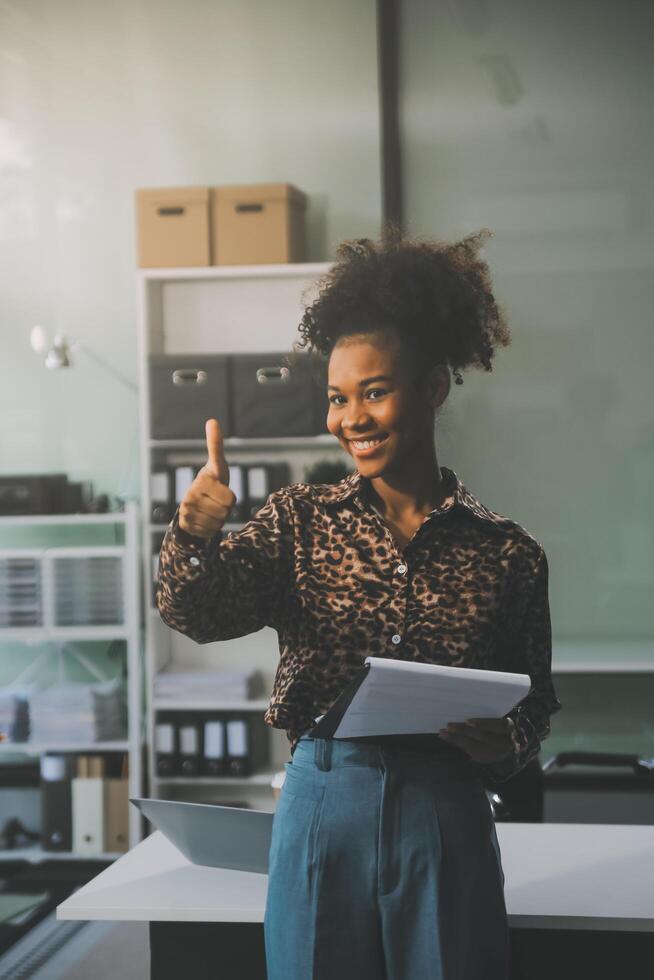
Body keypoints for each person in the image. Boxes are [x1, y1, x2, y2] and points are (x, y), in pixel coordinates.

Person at [156, 225, 562, 980]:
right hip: (322, 801)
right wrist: (194, 528)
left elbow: (534, 699)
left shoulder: (507, 552)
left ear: (434, 386)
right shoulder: (298, 522)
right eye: (339, 398)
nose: (352, 419)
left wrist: (506, 748)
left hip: (445, 806)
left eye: (375, 392)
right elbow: (195, 612)